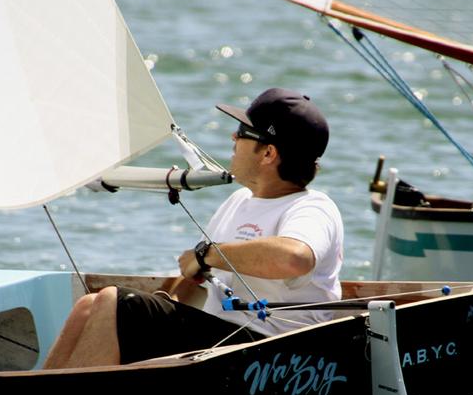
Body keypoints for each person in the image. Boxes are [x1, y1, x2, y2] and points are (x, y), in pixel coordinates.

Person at [43, 88, 345, 369]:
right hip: (221, 344)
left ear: (268, 154)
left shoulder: (312, 208)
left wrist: (207, 255)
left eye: (242, 133)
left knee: (116, 303)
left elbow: (294, 258)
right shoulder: (238, 201)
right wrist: (171, 299)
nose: (232, 137)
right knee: (90, 305)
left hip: (273, 355)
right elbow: (194, 280)